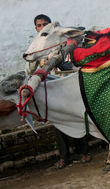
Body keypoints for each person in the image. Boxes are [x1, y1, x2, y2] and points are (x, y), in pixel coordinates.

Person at [33, 14, 91, 169]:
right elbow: (31, 70)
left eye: (45, 24)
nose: (42, 26)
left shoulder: (61, 44)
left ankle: (82, 152)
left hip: (66, 86)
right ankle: (64, 157)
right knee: (57, 122)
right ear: (36, 28)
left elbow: (67, 65)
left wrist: (54, 62)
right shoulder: (35, 48)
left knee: (75, 118)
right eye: (39, 25)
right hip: (51, 90)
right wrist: (42, 66)